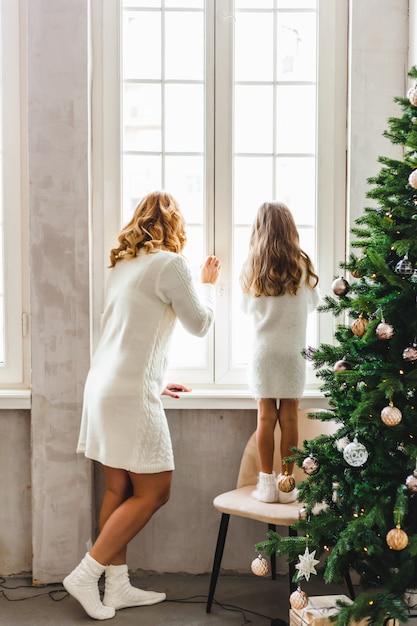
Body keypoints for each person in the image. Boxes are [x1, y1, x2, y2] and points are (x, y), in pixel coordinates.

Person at [63, 191, 221, 620]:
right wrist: (209, 287)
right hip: (128, 392)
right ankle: (86, 573)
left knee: (119, 488)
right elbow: (200, 325)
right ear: (175, 226)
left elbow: (127, 334)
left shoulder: (121, 266)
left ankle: (116, 587)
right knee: (156, 490)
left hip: (104, 386)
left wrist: (154, 378)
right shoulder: (170, 264)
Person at [240, 201, 319, 504]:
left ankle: (266, 483)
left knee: (264, 418)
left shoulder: (253, 266)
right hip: (292, 354)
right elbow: (313, 302)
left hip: (264, 353)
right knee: (289, 419)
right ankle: (287, 483)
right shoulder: (302, 264)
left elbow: (247, 307)